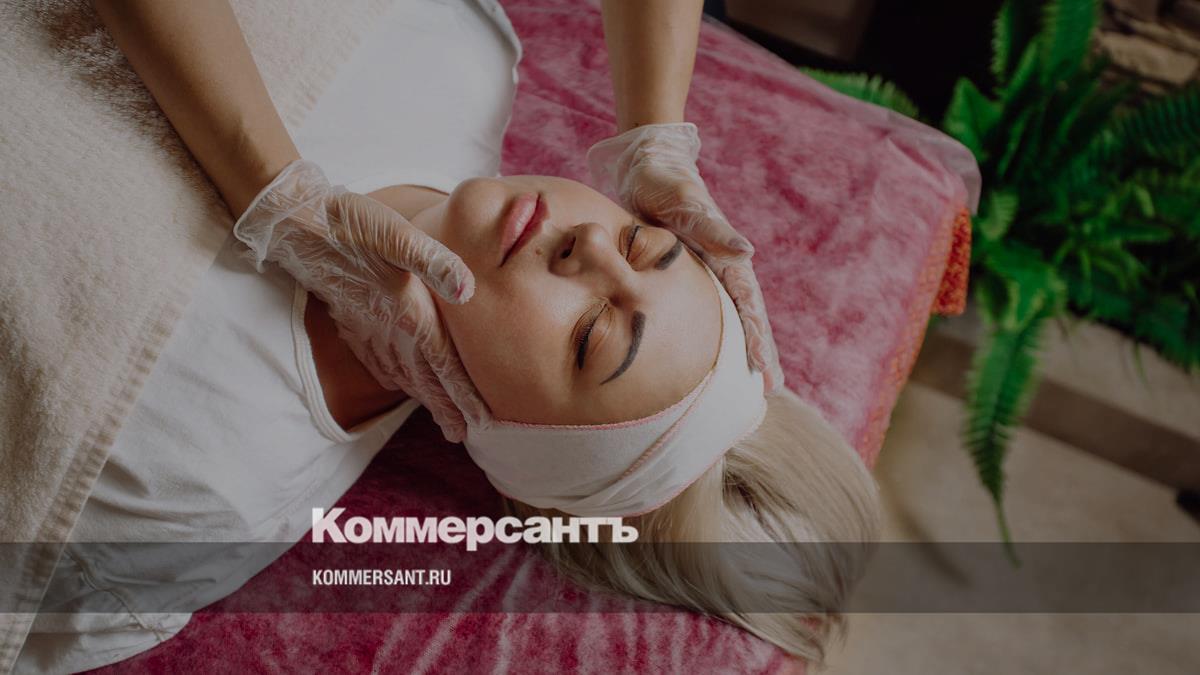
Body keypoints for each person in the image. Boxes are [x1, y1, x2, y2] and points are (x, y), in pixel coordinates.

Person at [15, 0, 879, 671]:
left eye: (589, 337)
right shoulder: (463, 53)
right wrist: (655, 130)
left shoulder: (188, 476)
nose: (588, 245)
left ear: (519, 444)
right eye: (641, 243)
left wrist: (278, 194)